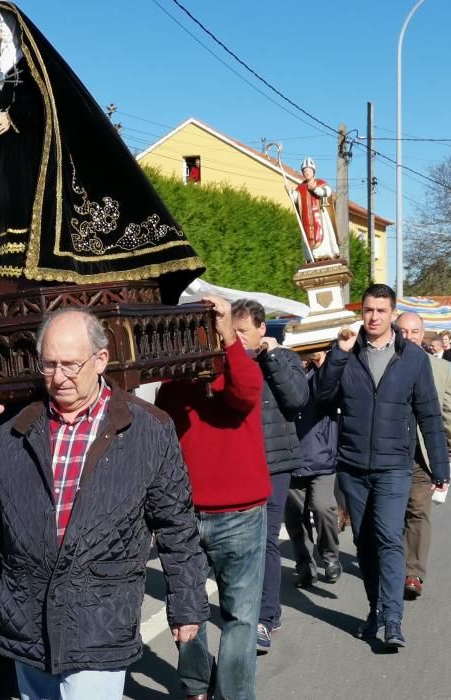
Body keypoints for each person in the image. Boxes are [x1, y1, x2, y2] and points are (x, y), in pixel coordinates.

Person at [0, 309, 208, 700]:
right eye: (48, 365)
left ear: (100, 360)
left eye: (71, 365)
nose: (59, 377)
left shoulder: (147, 428)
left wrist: (187, 603)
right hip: (27, 620)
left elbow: (175, 524)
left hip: (100, 619)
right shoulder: (15, 428)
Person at [0, 4, 204, 301]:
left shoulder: (31, 67)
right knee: (2, 209)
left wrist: (12, 118)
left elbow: (44, 108)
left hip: (30, 160)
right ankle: (1, 263)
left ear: (12, 26)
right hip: (2, 161)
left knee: (24, 209)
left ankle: (27, 263)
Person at [317, 284, 449, 649]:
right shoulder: (348, 353)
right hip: (353, 465)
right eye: (368, 310)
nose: (373, 317)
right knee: (364, 542)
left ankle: (393, 619)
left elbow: (428, 413)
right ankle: (376, 607)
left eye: (380, 310)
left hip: (395, 466)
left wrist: (440, 464)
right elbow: (322, 396)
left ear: (392, 314)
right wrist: (338, 356)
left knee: (390, 538)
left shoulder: (413, 358)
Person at [155, 295, 270, 700]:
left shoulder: (236, 368)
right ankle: (198, 688)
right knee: (198, 610)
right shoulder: (178, 382)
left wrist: (229, 341)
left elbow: (245, 393)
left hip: (237, 512)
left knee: (230, 615)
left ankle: (212, 691)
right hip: (191, 512)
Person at [227, 300, 309, 655]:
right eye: (233, 332)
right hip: (240, 463)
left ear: (262, 329)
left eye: (243, 332)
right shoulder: (228, 360)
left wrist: (271, 358)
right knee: (241, 543)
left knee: (265, 540)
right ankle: (250, 610)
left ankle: (265, 615)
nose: (238, 339)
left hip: (275, 463)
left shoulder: (285, 359)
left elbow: (297, 400)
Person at [395, 313, 451, 601]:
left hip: (422, 454)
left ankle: (413, 571)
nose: (409, 336)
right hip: (388, 453)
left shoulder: (440, 369)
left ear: (423, 335)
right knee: (388, 513)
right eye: (403, 331)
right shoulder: (380, 364)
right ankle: (391, 562)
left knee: (418, 510)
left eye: (415, 332)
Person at [284, 351, 341, 590]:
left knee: (322, 507)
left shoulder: (325, 375)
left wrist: (324, 364)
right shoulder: (283, 373)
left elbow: (333, 392)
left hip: (322, 457)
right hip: (289, 457)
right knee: (295, 517)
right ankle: (305, 567)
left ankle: (330, 557)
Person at [287, 157, 340, 261]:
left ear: (313, 171)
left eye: (309, 170)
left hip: (320, 216)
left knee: (323, 235)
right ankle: (313, 258)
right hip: (306, 218)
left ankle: (325, 255)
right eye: (304, 171)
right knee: (308, 237)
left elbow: (327, 192)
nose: (307, 173)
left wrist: (315, 189)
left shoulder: (320, 182)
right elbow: (297, 199)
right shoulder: (301, 187)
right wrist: (290, 192)